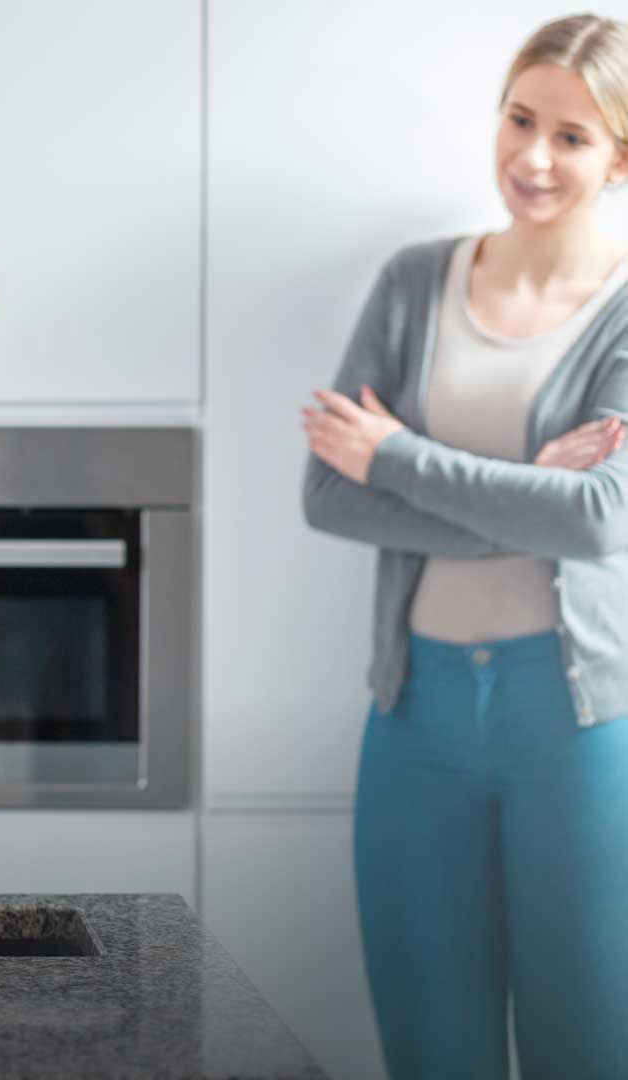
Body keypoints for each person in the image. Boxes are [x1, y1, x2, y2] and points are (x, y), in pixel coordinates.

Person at [301, 14, 628, 1078]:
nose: (533, 157)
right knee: (432, 1058)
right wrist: (529, 496)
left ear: (620, 155)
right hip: (414, 717)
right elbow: (326, 495)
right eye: (520, 119)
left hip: (575, 727)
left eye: (573, 137)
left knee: (587, 1053)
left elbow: (598, 520)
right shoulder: (412, 283)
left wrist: (396, 455)